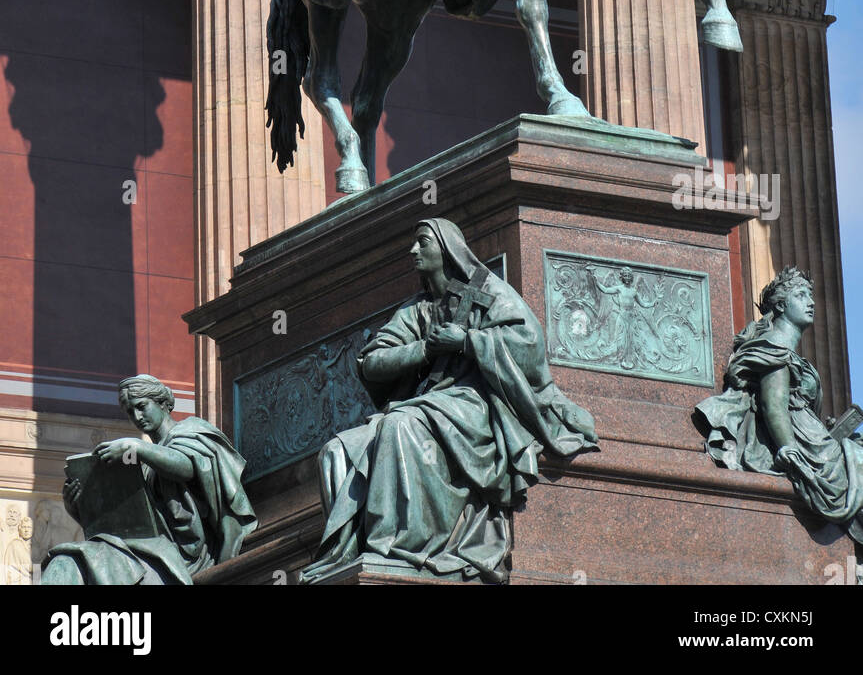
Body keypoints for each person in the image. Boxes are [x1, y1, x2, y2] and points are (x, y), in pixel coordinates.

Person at [300, 218, 598, 584]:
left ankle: (397, 546)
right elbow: (372, 362)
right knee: (337, 450)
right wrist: (424, 348)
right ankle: (345, 555)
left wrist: (467, 342)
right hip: (433, 405)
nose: (413, 251)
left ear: (446, 249)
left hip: (478, 404)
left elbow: (529, 345)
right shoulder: (418, 310)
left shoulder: (489, 291)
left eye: (422, 243)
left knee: (399, 425)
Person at [695, 266, 863, 541]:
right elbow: (774, 405)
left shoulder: (786, 352)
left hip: (810, 437)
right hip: (801, 445)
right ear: (782, 305)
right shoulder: (774, 348)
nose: (810, 302)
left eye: (810, 295)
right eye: (801, 295)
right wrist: (789, 450)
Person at [41, 375, 256, 585]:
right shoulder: (143, 466)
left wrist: (137, 447)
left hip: (184, 555)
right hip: (150, 549)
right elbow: (127, 525)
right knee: (66, 560)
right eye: (129, 412)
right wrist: (77, 508)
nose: (136, 416)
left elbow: (188, 467)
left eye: (141, 406)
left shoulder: (192, 431)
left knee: (78, 560)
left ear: (162, 403)